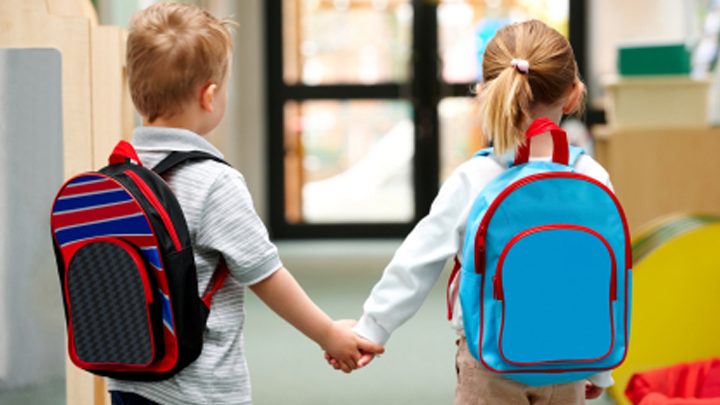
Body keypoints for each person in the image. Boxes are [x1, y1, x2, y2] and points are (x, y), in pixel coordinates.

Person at [107, 3, 383, 404]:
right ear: (210, 96)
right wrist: (328, 333)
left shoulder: (121, 172)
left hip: (129, 381)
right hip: (199, 389)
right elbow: (265, 274)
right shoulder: (214, 182)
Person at [328, 20, 614, 404]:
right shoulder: (592, 177)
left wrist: (372, 329)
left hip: (490, 357)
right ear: (573, 95)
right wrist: (598, 365)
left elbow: (417, 262)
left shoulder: (474, 179)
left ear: (484, 92)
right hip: (568, 357)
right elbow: (596, 280)